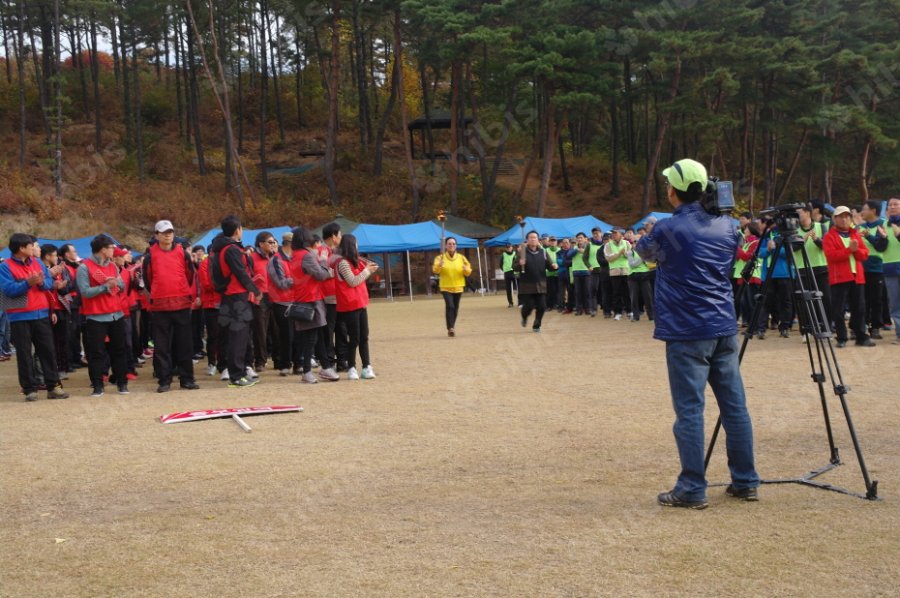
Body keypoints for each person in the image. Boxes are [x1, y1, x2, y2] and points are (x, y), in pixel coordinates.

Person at [637, 158, 759, 509]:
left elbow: (644, 257)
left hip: (686, 330)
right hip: (723, 325)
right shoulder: (728, 225)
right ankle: (746, 480)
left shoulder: (667, 228)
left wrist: (648, 234)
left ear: (674, 190)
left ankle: (692, 487)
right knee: (735, 408)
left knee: (690, 410)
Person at [0, 234, 70, 401]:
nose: (34, 248)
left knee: (48, 351)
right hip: (19, 316)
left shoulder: (37, 262)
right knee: (24, 354)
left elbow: (47, 283)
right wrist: (27, 283)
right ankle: (29, 389)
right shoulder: (5, 266)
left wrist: (39, 282)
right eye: (31, 246)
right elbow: (8, 290)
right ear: (21, 248)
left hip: (41, 313)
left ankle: (54, 387)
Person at [142, 219, 199, 393]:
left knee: (184, 344)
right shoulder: (150, 255)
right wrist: (159, 292)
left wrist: (184, 291)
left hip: (181, 303)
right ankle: (164, 380)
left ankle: (187, 379)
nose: (168, 235)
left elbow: (190, 275)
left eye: (170, 232)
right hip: (160, 306)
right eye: (164, 232)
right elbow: (148, 280)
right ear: (156, 235)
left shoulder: (183, 253)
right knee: (162, 346)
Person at [210, 215, 262, 387]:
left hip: (231, 296)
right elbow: (240, 273)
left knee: (239, 336)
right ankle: (236, 374)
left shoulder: (225, 248)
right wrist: (255, 290)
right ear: (237, 229)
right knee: (238, 337)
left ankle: (239, 371)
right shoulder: (231, 249)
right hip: (236, 296)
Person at [77, 235, 129, 396]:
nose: (114, 250)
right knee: (96, 353)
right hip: (96, 316)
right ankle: (97, 385)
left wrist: (116, 284)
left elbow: (121, 285)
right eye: (111, 247)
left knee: (119, 350)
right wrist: (105, 287)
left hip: (116, 314)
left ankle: (122, 383)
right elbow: (85, 292)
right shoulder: (84, 268)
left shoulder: (112, 266)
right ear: (103, 249)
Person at [290, 225, 339, 383]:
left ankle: (325, 367)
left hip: (301, 298)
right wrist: (324, 261)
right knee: (312, 338)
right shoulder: (306, 255)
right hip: (311, 299)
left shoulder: (294, 255)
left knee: (314, 336)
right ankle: (307, 371)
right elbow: (320, 275)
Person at [822, 206, 875, 348]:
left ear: (851, 219)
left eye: (847, 216)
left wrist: (855, 250)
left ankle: (860, 336)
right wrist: (849, 250)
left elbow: (865, 253)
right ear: (834, 219)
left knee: (859, 308)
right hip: (839, 278)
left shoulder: (855, 234)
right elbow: (831, 256)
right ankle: (841, 337)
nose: (844, 219)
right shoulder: (829, 236)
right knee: (838, 310)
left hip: (856, 277)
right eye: (841, 216)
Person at [335, 234, 379, 379]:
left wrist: (368, 267)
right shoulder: (342, 263)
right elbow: (352, 281)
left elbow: (365, 272)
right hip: (350, 305)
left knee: (364, 336)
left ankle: (367, 366)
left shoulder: (356, 261)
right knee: (354, 338)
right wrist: (367, 271)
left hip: (360, 303)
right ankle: (351, 367)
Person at [516, 230, 557, 333]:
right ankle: (524, 317)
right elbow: (515, 267)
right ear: (527, 240)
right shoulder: (522, 252)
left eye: (535, 237)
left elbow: (550, 265)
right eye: (531, 237)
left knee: (542, 306)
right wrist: (520, 264)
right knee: (528, 306)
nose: (533, 239)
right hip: (527, 285)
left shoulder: (543, 252)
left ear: (538, 240)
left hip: (541, 284)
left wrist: (554, 266)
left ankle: (537, 325)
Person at [859, 201, 888, 339]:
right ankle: (861, 326)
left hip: (876, 268)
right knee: (861, 299)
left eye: (864, 209)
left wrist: (868, 236)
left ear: (873, 211)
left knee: (876, 299)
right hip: (860, 268)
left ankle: (875, 327)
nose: (861, 213)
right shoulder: (860, 227)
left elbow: (880, 247)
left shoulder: (882, 225)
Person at [432, 237, 472, 337]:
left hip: (458, 286)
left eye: (453, 244)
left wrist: (465, 269)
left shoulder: (461, 258)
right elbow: (435, 271)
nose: (452, 245)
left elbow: (468, 272)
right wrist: (439, 265)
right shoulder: (440, 258)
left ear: (456, 246)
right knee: (450, 306)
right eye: (449, 244)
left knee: (455, 307)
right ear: (445, 245)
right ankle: (450, 328)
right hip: (446, 286)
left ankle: (451, 327)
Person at [250, 232, 277, 372]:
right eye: (270, 242)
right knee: (261, 330)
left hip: (276, 295)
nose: (273, 244)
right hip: (260, 296)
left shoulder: (275, 257)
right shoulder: (252, 258)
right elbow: (247, 277)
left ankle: (279, 360)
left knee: (277, 329)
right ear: (261, 244)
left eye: (274, 242)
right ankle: (260, 360)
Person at [883, 197, 900, 345]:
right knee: (894, 304)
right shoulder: (884, 224)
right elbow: (880, 247)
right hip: (889, 269)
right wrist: (877, 238)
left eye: (896, 204)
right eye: (890, 205)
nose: (892, 207)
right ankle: (899, 334)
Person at [604, 228, 630, 320]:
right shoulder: (608, 245)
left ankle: (629, 311)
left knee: (627, 292)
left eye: (615, 233)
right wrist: (619, 253)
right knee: (616, 293)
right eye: (612, 233)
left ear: (621, 234)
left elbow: (630, 256)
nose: (613, 235)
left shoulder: (627, 243)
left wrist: (625, 253)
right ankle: (618, 312)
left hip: (626, 271)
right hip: (614, 272)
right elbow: (608, 258)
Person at [501, 243, 517, 308]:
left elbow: (517, 262)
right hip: (507, 272)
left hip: (514, 272)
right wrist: (504, 269)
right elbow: (500, 263)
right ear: (506, 248)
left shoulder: (515, 254)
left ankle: (520, 302)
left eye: (509, 247)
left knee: (517, 288)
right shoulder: (503, 255)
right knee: (508, 289)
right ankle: (510, 303)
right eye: (507, 248)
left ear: (512, 247)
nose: (508, 249)